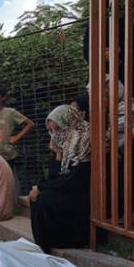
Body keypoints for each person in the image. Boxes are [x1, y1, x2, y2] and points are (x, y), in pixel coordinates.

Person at [28, 105, 91, 254]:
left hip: (81, 193)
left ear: (69, 124)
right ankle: (44, 244)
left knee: (45, 198)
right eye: (52, 130)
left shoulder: (83, 143)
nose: (55, 134)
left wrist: (41, 187)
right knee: (37, 198)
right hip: (68, 189)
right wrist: (57, 155)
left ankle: (67, 240)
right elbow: (55, 177)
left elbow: (74, 179)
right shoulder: (66, 144)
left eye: (58, 129)